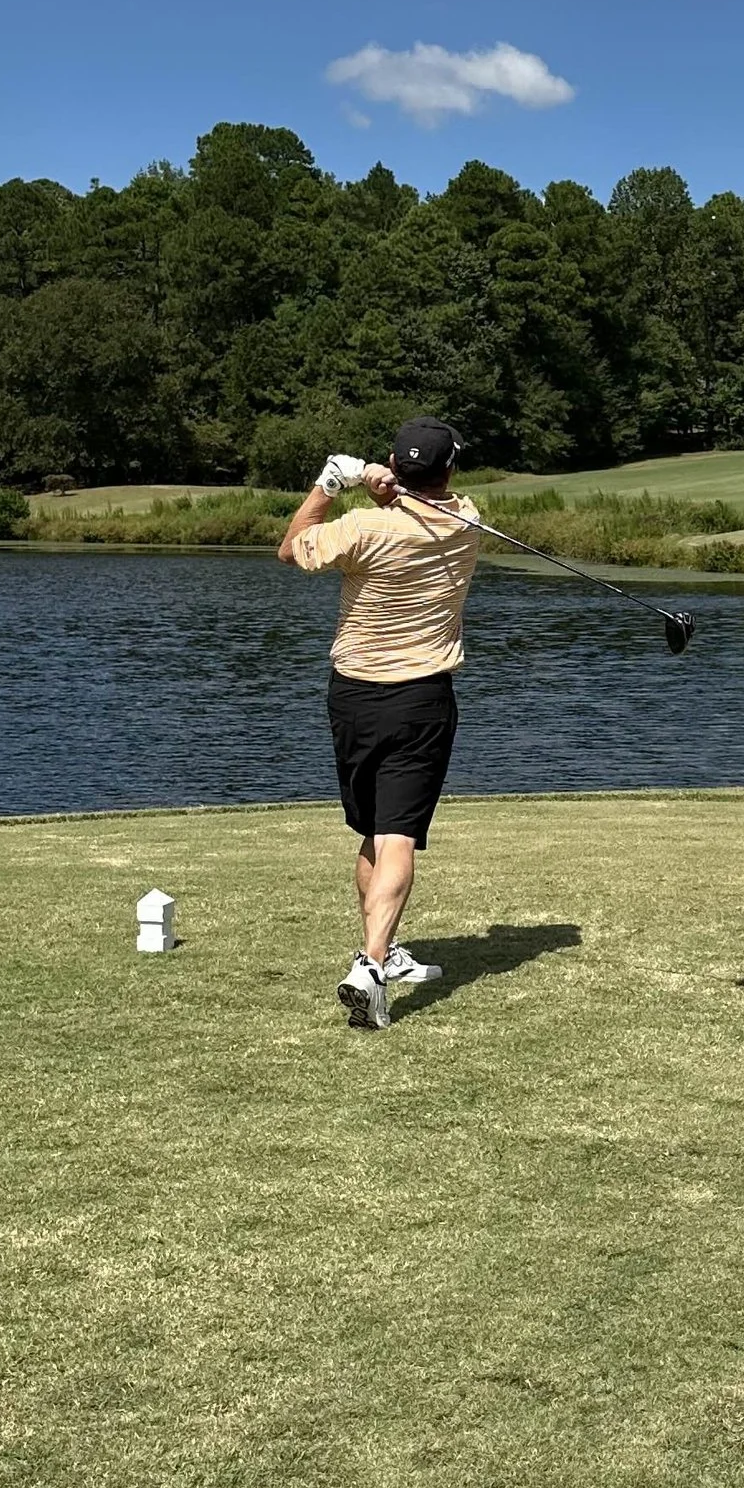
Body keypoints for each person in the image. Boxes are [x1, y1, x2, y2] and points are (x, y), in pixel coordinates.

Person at [277, 414, 485, 1029]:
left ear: (395, 466)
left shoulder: (363, 529)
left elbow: (291, 548)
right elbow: (428, 503)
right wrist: (389, 487)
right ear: (449, 470)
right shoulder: (467, 522)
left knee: (373, 830)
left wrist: (332, 483)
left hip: (354, 697)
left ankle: (382, 953)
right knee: (394, 834)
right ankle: (371, 964)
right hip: (421, 697)